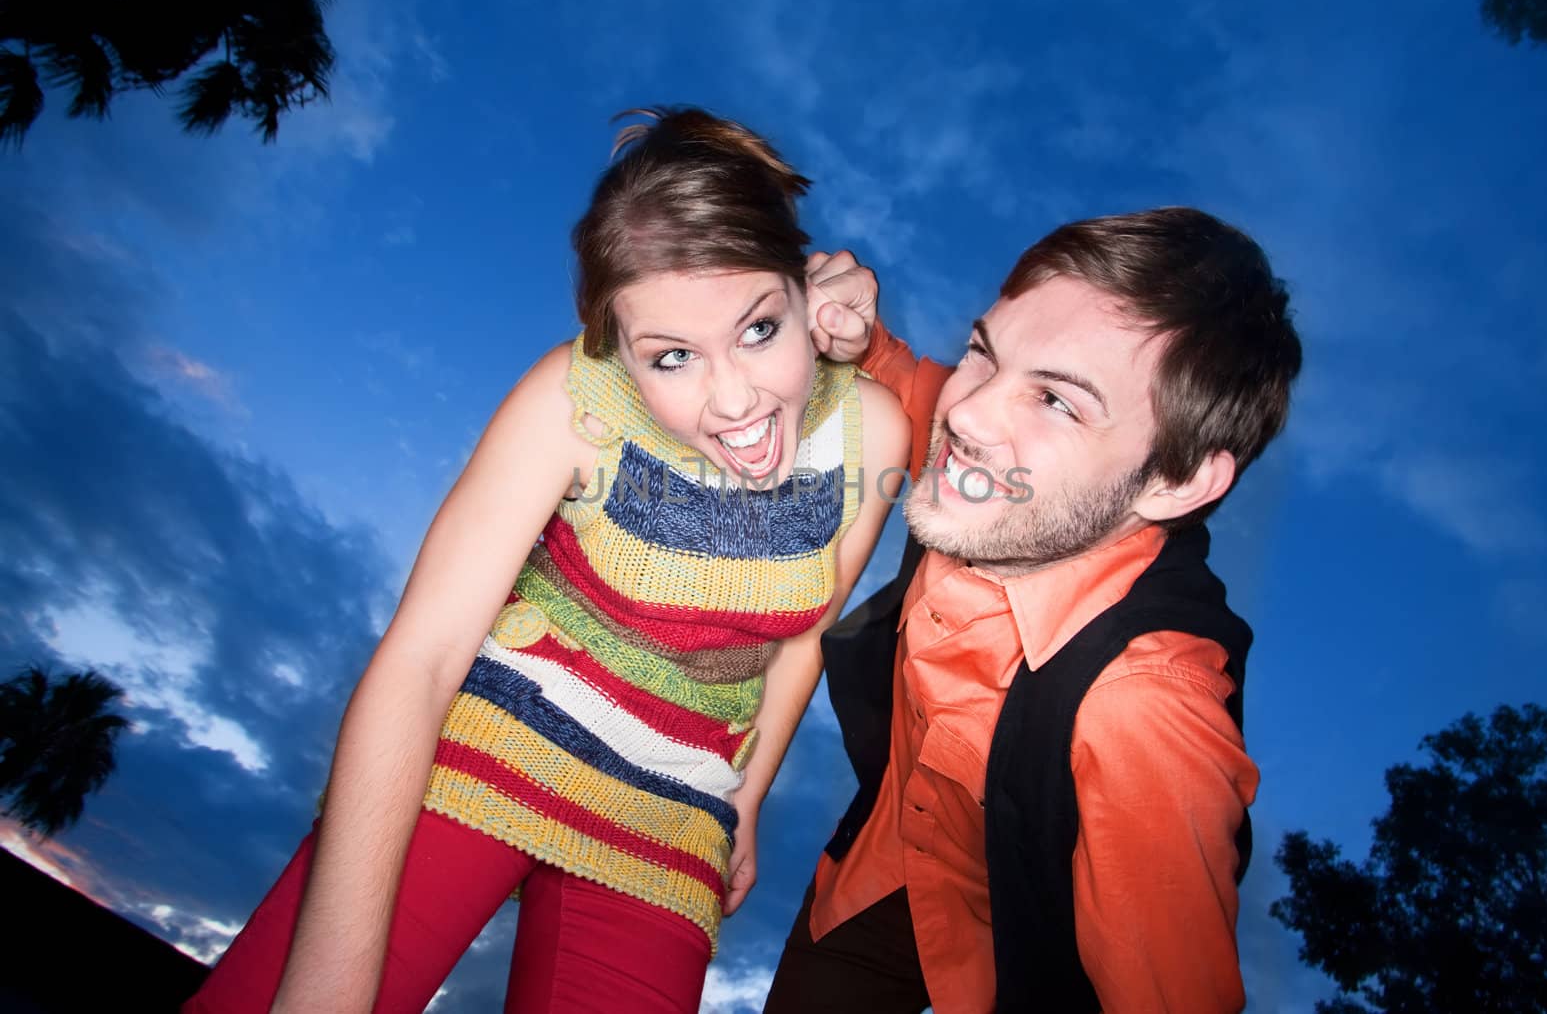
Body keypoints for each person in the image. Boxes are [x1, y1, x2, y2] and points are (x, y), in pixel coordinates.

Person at [184, 107, 908, 1014]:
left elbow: (799, 640)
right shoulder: (573, 396)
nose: (734, 400)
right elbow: (423, 658)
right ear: (617, 344)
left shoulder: (874, 431)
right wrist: (326, 989)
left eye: (758, 329)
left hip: (674, 805)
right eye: (673, 356)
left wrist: (747, 799)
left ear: (808, 291)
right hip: (489, 741)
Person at [773, 208, 1303, 1013]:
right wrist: (856, 334)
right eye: (985, 352)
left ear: (1179, 480)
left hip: (1016, 952)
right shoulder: (994, 471)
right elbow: (914, 386)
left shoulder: (1145, 721)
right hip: (877, 873)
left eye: (1058, 401)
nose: (971, 414)